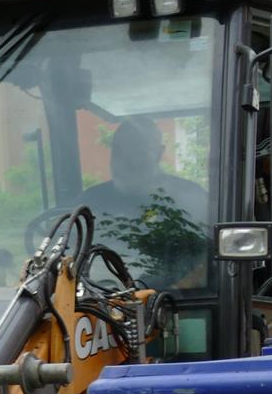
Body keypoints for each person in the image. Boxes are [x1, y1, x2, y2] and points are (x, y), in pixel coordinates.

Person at [80, 115, 209, 286]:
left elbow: (204, 259)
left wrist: (177, 287)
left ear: (159, 153)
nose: (126, 159)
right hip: (100, 297)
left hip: (174, 297)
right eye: (119, 150)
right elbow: (71, 254)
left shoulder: (192, 199)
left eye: (137, 150)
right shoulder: (89, 202)